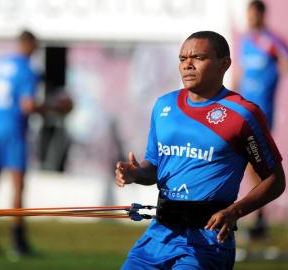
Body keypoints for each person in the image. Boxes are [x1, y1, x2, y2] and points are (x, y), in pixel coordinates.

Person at [115, 31, 285, 269]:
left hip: (208, 241)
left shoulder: (243, 114)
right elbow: (153, 168)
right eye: (182, 59)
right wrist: (135, 173)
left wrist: (235, 211)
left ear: (224, 64)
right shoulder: (164, 106)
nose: (187, 65)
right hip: (158, 236)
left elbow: (275, 180)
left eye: (198, 58)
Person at [0, 30, 39, 257]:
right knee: (17, 186)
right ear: (30, 44)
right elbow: (28, 106)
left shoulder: (0, 64)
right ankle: (17, 243)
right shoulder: (26, 69)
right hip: (13, 130)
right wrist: (55, 108)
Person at [237, 0, 288, 239]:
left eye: (254, 14)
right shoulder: (245, 42)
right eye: (248, 14)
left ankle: (258, 217)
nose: (250, 18)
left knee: (257, 162)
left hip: (262, 112)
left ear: (261, 15)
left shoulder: (272, 41)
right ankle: (258, 217)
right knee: (250, 164)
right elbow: (240, 74)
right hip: (243, 111)